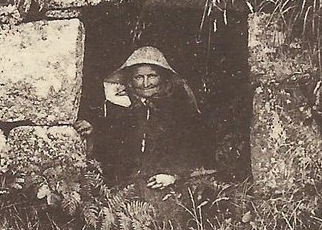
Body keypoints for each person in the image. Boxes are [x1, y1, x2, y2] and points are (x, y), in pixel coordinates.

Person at [74, 46, 216, 192]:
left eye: (152, 76)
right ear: (130, 80)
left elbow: (193, 149)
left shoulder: (179, 110)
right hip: (123, 189)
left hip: (167, 187)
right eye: (139, 77)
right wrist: (93, 130)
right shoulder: (119, 107)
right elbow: (109, 145)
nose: (146, 83)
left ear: (163, 77)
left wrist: (174, 175)